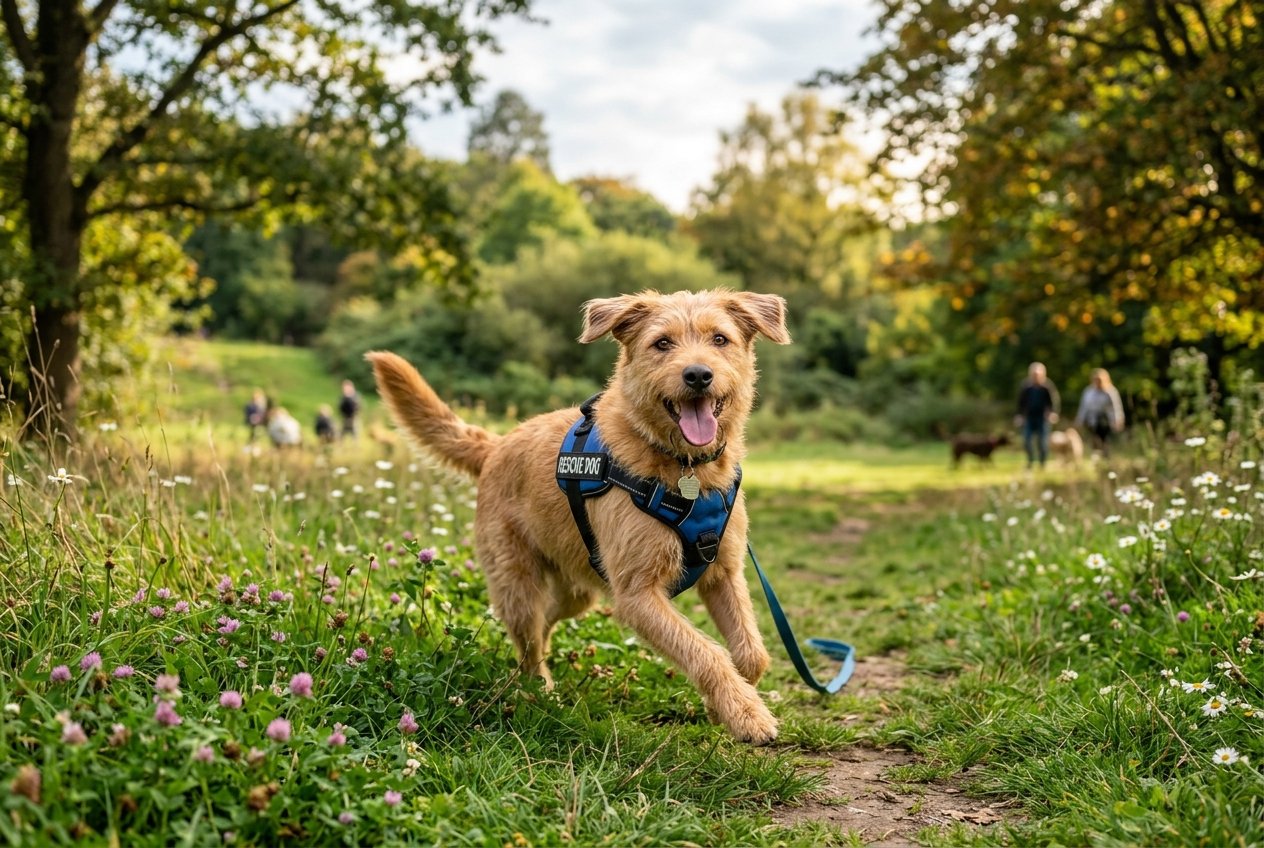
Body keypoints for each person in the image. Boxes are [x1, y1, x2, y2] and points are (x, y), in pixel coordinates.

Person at [1015, 362, 1060, 469]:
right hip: (1029, 417)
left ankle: (1042, 463)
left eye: (1038, 374)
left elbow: (1053, 402)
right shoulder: (1026, 387)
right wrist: (1018, 415)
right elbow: (1020, 403)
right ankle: (1030, 461)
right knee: (1026, 440)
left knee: (1042, 441)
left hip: (1043, 418)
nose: (1035, 377)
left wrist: (1053, 413)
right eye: (1033, 374)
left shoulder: (1047, 387)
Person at [1075, 368, 1125, 456]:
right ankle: (1096, 457)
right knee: (1094, 439)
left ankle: (1106, 457)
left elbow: (1116, 407)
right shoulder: (1089, 391)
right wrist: (1080, 419)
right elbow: (1084, 407)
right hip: (1092, 420)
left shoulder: (1110, 391)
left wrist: (1118, 419)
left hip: (1105, 420)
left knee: (1105, 440)